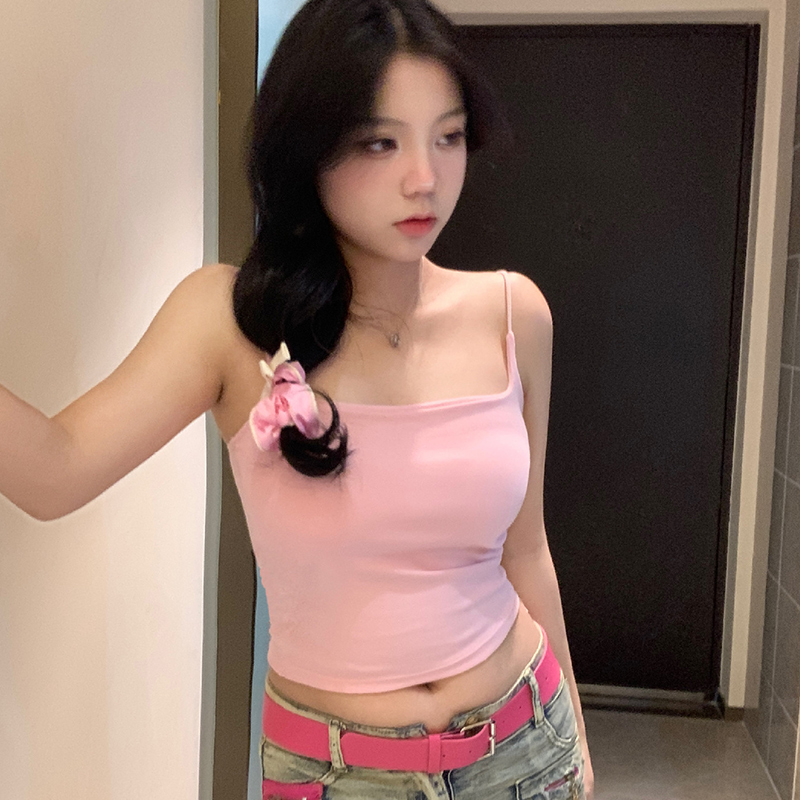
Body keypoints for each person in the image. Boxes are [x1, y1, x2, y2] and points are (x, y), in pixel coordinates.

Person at [0, 0, 594, 797]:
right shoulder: (227, 321)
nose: (424, 177)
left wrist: (575, 742)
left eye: (448, 137)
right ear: (307, 147)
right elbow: (55, 471)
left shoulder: (515, 315)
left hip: (527, 745)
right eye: (379, 142)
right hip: (336, 774)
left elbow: (526, 549)